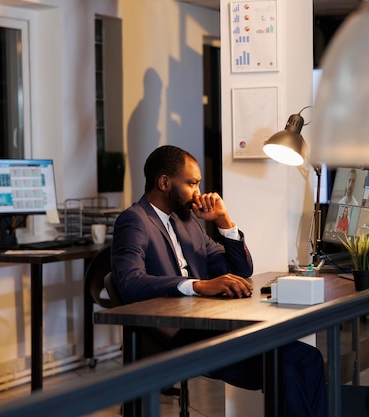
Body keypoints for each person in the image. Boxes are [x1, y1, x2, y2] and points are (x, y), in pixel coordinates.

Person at [111, 145, 327, 417]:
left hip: (208, 324)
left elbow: (241, 268)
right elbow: (129, 283)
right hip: (175, 333)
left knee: (308, 359)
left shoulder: (188, 222)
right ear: (164, 182)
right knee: (290, 362)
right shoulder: (134, 220)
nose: (199, 193)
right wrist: (196, 285)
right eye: (191, 183)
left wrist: (224, 221)